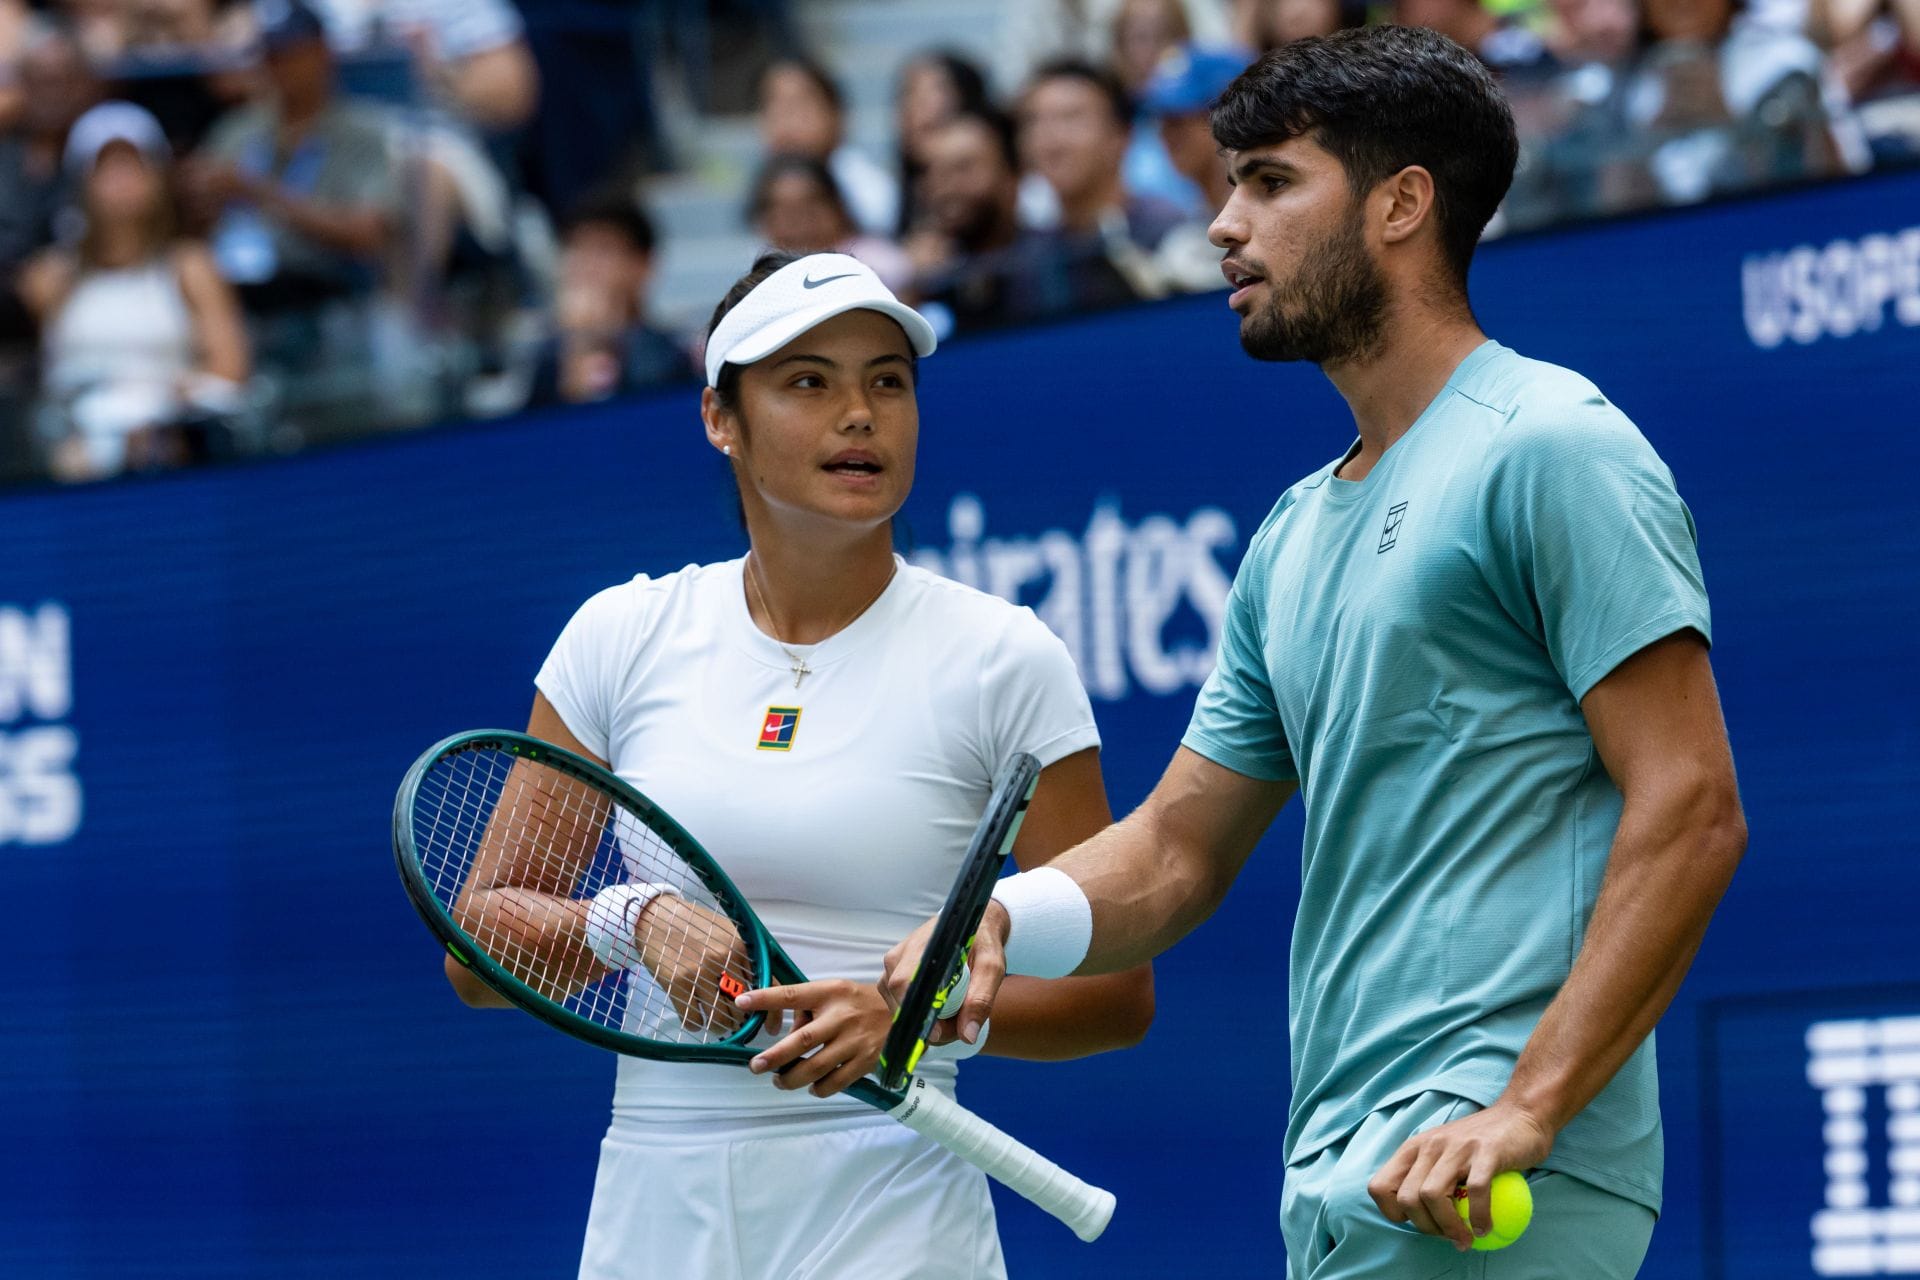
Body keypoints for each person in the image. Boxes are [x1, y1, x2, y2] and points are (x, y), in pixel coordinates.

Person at [884, 27, 1747, 1280]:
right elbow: (1180, 844)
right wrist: (1004, 913)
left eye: (1272, 182)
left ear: (1403, 205)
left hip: (1490, 1171)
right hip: (1351, 1176)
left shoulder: (1555, 444)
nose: (1226, 223)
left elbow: (1693, 803)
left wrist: (1530, 1105)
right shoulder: (1293, 532)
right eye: (1230, 184)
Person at [444, 250, 1154, 1279]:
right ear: (720, 419)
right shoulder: (619, 635)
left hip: (894, 1211)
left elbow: (1116, 988)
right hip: (657, 1208)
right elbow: (478, 948)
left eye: (887, 380)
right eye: (808, 380)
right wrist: (631, 920)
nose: (859, 413)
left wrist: (909, 1022)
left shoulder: (1008, 659)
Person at [19, 100, 249, 480]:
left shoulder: (191, 267)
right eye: (106, 167)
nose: (121, 179)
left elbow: (230, 370)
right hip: (72, 465)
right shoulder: (49, 276)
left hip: (172, 460)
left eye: (134, 164)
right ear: (82, 183)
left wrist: (155, 406)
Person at [182, 0, 400, 311]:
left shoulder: (364, 132)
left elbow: (368, 234)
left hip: (331, 297)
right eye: (270, 55)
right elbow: (198, 231)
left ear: (322, 51)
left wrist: (257, 193)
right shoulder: (236, 129)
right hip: (238, 293)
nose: (279, 66)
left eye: (291, 53)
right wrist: (195, 200)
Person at [528, 189, 692, 407]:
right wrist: (579, 344)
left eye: (602, 250)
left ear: (644, 264)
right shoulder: (546, 359)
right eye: (576, 250)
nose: (587, 267)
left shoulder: (670, 356)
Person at [756, 56, 898, 238]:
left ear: (836, 114)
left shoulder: (875, 194)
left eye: (798, 104)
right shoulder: (762, 189)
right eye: (772, 105)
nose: (784, 118)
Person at [747, 153, 915, 296]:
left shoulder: (879, 263)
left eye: (809, 206)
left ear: (837, 207)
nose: (796, 221)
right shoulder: (757, 275)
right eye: (782, 211)